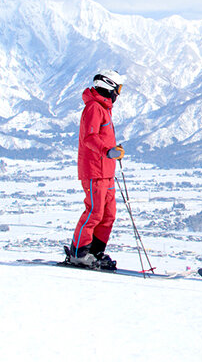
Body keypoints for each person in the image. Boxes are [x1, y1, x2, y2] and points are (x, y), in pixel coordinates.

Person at [68, 69, 125, 269]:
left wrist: (113, 151)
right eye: (118, 89)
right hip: (95, 171)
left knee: (108, 215)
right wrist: (108, 151)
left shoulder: (104, 108)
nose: (118, 94)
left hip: (107, 172)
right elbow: (90, 138)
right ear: (109, 87)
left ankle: (94, 252)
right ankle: (78, 253)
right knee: (94, 212)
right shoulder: (94, 108)